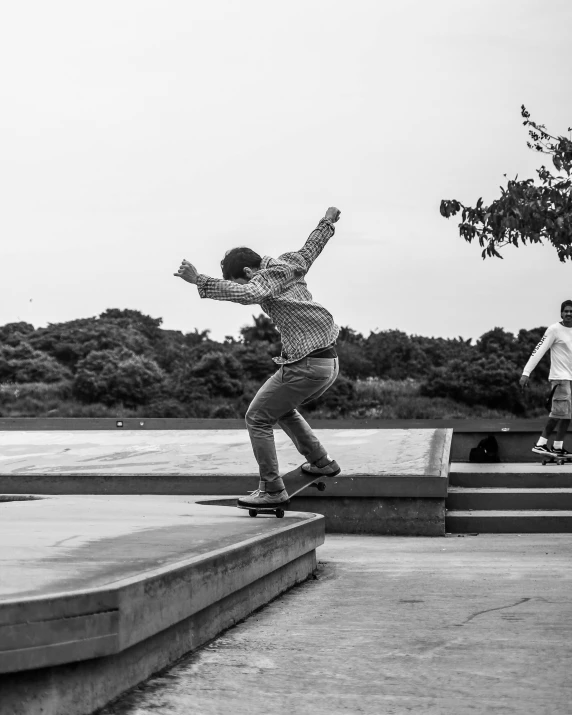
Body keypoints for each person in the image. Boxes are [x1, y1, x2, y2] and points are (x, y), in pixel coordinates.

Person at [174, 208, 342, 508]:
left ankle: (272, 489)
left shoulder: (264, 278)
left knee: (256, 417)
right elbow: (311, 248)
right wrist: (327, 222)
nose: (242, 286)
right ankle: (321, 461)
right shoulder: (290, 262)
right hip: (327, 362)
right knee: (280, 408)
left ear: (249, 272)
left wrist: (198, 279)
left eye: (240, 281)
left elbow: (249, 293)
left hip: (306, 365)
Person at [520, 300, 572, 457]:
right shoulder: (554, 330)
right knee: (558, 413)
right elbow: (538, 351)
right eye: (566, 311)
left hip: (570, 379)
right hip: (560, 378)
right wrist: (526, 372)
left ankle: (557, 446)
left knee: (568, 415)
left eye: (571, 311)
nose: (569, 314)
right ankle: (541, 444)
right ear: (561, 313)